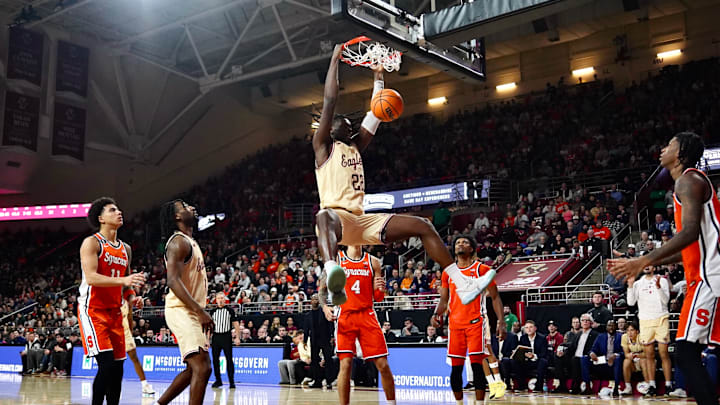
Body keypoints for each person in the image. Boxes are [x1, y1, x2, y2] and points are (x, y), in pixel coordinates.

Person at [312, 44, 494, 308]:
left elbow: (376, 111)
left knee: (424, 226)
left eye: (350, 124)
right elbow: (330, 101)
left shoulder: (356, 145)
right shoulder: (323, 147)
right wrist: (333, 60)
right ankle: (331, 273)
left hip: (361, 221)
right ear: (330, 129)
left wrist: (378, 76)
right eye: (342, 122)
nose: (348, 124)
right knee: (323, 215)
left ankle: (462, 284)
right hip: (336, 220)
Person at [610, 133, 718, 405]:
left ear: (680, 154)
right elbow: (688, 250)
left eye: (669, 145)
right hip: (703, 274)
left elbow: (691, 233)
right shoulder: (688, 182)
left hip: (710, 277)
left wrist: (642, 261)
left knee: (685, 351)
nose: (662, 149)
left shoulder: (688, 180)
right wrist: (646, 260)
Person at [78, 197, 145, 405]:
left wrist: (133, 296)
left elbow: (126, 285)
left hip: (116, 313)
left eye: (118, 209)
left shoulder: (126, 249)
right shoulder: (92, 242)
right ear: (101, 218)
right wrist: (124, 279)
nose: (119, 212)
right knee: (106, 365)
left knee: (117, 369)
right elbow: (91, 277)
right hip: (93, 311)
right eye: (112, 210)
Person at [155, 200, 213, 405]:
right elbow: (172, 281)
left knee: (193, 369)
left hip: (191, 309)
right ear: (177, 217)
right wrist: (199, 311)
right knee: (203, 367)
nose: (192, 207)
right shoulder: (178, 242)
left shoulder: (190, 240)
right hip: (181, 309)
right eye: (185, 207)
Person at [321, 245, 395, 405]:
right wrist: (325, 307)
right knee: (346, 364)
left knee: (383, 365)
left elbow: (379, 297)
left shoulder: (373, 262)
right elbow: (322, 290)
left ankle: (391, 403)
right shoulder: (336, 260)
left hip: (367, 315)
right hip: (345, 315)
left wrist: (381, 289)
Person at [433, 235, 493, 405]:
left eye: (465, 242)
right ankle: (459, 403)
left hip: (475, 322)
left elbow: (494, 296)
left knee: (476, 366)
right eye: (458, 242)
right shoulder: (448, 272)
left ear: (472, 249)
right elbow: (444, 300)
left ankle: (480, 403)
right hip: (455, 325)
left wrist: (500, 322)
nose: (460, 244)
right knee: (456, 369)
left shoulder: (481, 269)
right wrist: (436, 314)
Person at [626, 264, 672, 396]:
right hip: (645, 320)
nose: (647, 266)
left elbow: (665, 300)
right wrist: (630, 285)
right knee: (649, 355)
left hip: (661, 318)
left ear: (654, 267)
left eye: (650, 264)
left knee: (663, 353)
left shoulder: (661, 280)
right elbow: (630, 302)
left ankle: (668, 385)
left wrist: (658, 287)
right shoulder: (637, 283)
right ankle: (652, 384)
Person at [121, 294, 154, 395]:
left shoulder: (126, 300)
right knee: (113, 362)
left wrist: (130, 334)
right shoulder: (109, 299)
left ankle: (145, 385)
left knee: (135, 358)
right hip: (113, 333)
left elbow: (130, 317)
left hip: (125, 332)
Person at [582, 320, 622, 396]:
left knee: (618, 359)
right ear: (606, 327)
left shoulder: (621, 336)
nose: (611, 327)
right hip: (602, 361)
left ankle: (616, 388)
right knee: (584, 359)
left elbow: (624, 351)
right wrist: (592, 353)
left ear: (616, 327)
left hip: (614, 362)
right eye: (609, 325)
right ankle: (587, 387)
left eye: (613, 325)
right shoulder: (601, 336)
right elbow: (593, 349)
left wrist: (615, 355)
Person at [210, 291, 241, 388]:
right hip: (216, 337)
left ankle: (231, 381)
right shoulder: (212, 312)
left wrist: (237, 337)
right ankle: (218, 380)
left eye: (222, 298)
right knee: (215, 360)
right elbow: (209, 327)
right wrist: (207, 339)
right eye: (218, 298)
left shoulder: (230, 310)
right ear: (216, 300)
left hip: (226, 336)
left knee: (229, 359)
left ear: (225, 299)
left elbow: (236, 325)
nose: (220, 300)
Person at [561, 313, 598, 395]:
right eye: (583, 320)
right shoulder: (578, 334)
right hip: (576, 357)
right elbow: (571, 347)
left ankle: (577, 386)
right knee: (561, 357)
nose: (585, 322)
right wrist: (561, 351)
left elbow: (595, 348)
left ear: (591, 323)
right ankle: (562, 385)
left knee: (576, 360)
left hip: (587, 358)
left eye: (587, 320)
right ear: (581, 323)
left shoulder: (595, 335)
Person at [304, 294, 334, 389]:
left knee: (328, 360)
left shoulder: (324, 312)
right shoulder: (308, 315)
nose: (315, 301)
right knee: (314, 361)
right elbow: (306, 329)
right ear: (311, 301)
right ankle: (317, 381)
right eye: (314, 299)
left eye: (317, 299)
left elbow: (330, 324)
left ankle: (329, 381)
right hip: (314, 340)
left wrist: (332, 336)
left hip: (325, 338)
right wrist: (305, 341)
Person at [513, 320, 548, 392]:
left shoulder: (542, 338)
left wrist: (533, 356)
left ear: (535, 328)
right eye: (526, 328)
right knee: (516, 362)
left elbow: (544, 353)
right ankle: (522, 386)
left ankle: (538, 387)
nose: (529, 329)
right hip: (527, 361)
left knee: (543, 361)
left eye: (531, 327)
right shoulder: (523, 338)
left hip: (538, 360)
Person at [619, 322, 645, 395]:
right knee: (626, 361)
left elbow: (647, 354)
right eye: (628, 330)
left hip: (643, 359)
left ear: (637, 331)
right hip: (633, 361)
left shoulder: (641, 337)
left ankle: (648, 385)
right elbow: (626, 353)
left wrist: (637, 355)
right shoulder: (624, 337)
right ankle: (628, 387)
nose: (629, 333)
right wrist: (629, 355)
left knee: (644, 361)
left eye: (632, 330)